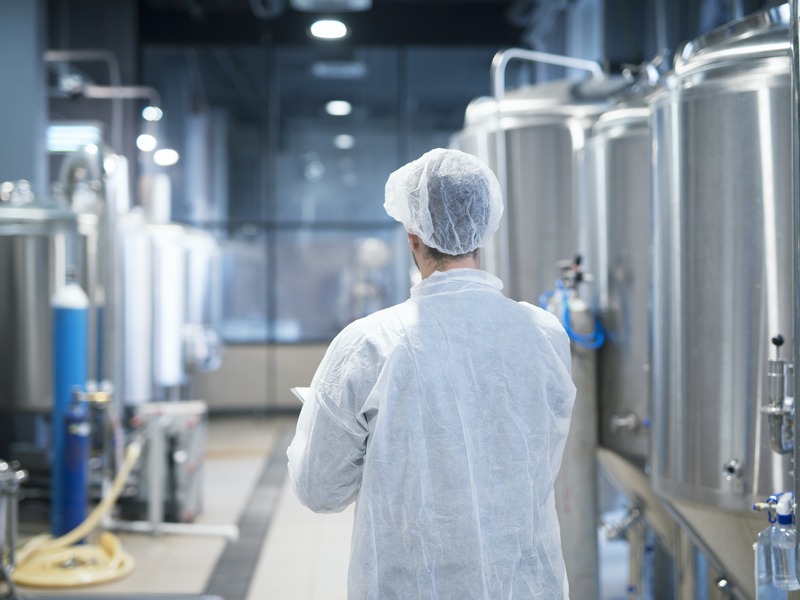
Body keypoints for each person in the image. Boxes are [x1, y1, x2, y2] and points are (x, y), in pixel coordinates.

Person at [287, 148, 576, 599]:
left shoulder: (370, 343)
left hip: (411, 585)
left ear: (412, 237)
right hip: (523, 583)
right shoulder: (545, 334)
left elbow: (320, 489)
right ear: (483, 230)